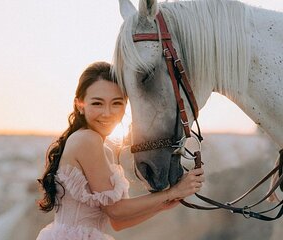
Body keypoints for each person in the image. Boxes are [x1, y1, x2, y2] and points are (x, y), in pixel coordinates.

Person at [36, 61, 204, 240]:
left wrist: (161, 204)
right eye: (97, 103)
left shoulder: (103, 148)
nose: (107, 113)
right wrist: (173, 192)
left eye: (116, 103)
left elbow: (118, 223)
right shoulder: (87, 140)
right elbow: (116, 211)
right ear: (80, 105)